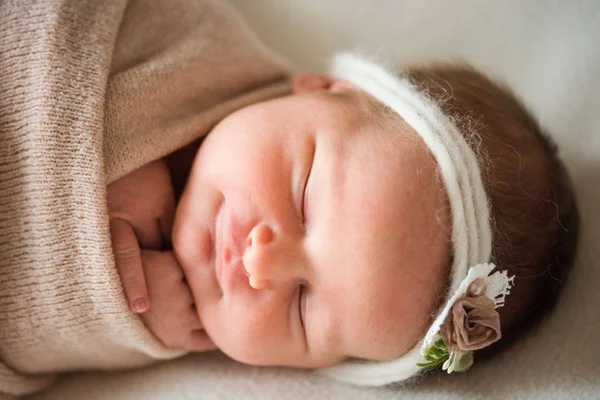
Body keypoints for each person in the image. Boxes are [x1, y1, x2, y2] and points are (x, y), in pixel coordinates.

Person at [111, 53, 579, 386]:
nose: (260, 263)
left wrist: (110, 313)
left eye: (300, 308)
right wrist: (110, 151)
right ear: (321, 89)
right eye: (302, 202)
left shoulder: (155, 339)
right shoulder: (189, 51)